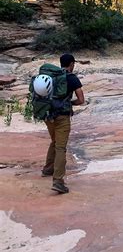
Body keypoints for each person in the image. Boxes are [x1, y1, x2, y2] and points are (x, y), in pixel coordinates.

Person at [41, 54, 84, 194]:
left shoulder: (51, 76)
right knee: (61, 147)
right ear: (71, 64)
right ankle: (58, 181)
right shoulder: (71, 78)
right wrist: (68, 104)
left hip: (47, 115)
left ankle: (48, 168)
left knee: (54, 141)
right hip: (62, 117)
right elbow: (81, 100)